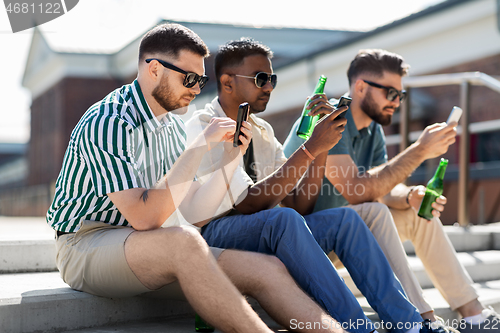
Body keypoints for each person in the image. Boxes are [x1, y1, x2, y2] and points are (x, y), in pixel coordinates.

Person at [46, 23, 351, 333]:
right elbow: (146, 217)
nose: (196, 88)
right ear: (154, 69)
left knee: (267, 268)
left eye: (201, 79)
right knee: (185, 241)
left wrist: (231, 159)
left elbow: (196, 214)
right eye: (189, 78)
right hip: (86, 243)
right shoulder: (110, 121)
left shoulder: (173, 125)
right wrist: (199, 147)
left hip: (146, 245)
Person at [186, 38, 455, 333]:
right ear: (227, 82)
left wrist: (324, 144)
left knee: (346, 220)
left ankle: (411, 325)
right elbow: (248, 204)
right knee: (282, 219)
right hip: (214, 233)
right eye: (261, 79)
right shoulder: (204, 124)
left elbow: (301, 204)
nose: (269, 88)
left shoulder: (263, 131)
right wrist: (311, 148)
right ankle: (359, 328)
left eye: (272, 79)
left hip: (267, 227)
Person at [283, 48, 500, 333]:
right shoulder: (330, 119)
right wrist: (420, 150)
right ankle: (421, 319)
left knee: (418, 213)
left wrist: (409, 196)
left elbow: (382, 187)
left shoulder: (372, 130)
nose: (397, 103)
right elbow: (356, 191)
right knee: (373, 210)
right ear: (360, 87)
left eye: (401, 96)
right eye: (391, 93)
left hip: (346, 236)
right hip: (306, 241)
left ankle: (473, 314)